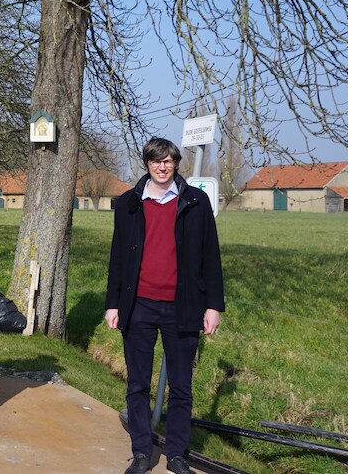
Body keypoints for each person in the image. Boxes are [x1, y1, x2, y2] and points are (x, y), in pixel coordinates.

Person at [105, 138, 225, 474]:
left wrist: (213, 306)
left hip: (183, 307)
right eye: (156, 161)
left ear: (176, 164)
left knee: (182, 388)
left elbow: (211, 256)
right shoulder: (128, 203)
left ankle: (176, 456)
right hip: (138, 306)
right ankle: (142, 453)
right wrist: (113, 304)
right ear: (147, 164)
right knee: (138, 385)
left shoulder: (195, 202)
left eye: (168, 161)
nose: (162, 167)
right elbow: (118, 257)